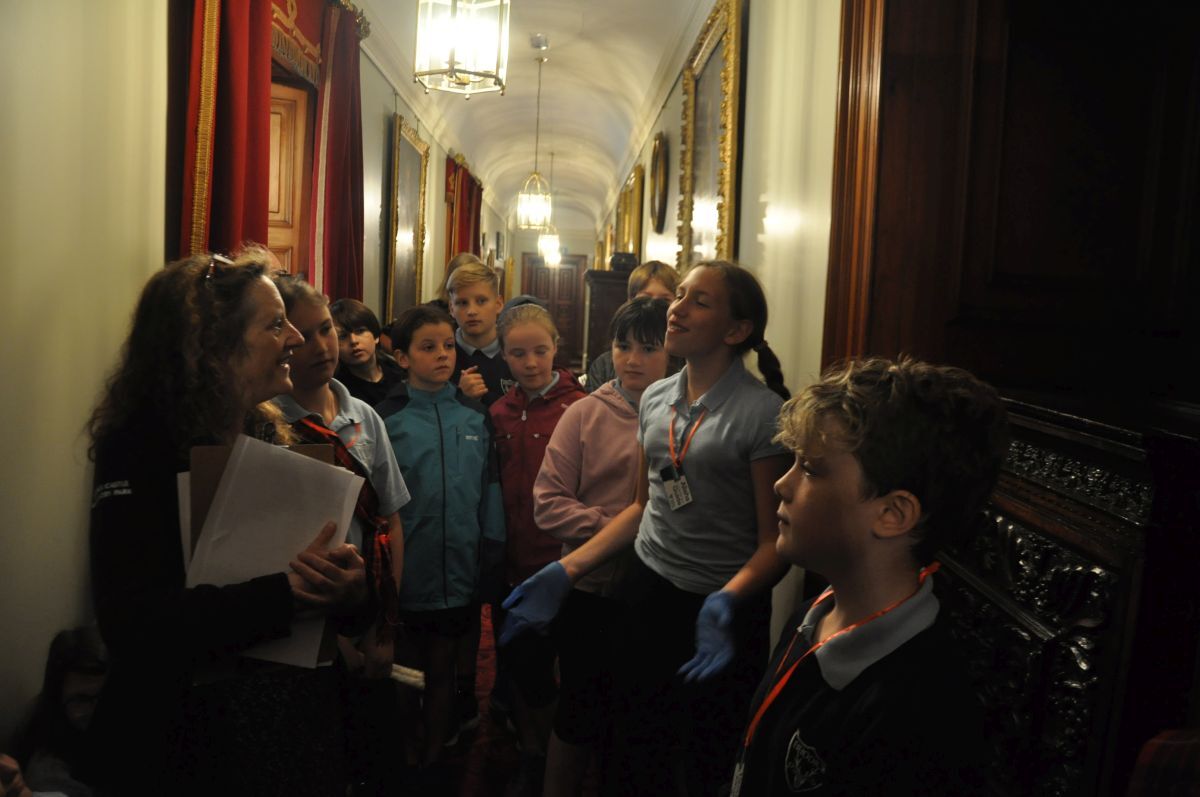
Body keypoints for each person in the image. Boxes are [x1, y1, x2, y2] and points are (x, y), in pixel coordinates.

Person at [501, 260, 792, 795]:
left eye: (698, 301)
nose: (676, 309)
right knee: (633, 749)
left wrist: (728, 600)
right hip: (647, 592)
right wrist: (567, 570)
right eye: (679, 295)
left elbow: (775, 542)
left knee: (706, 754)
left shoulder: (760, 412)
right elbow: (642, 508)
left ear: (735, 330)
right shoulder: (657, 399)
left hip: (720, 610)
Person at [86, 252, 368, 795]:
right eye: (274, 324)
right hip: (187, 745)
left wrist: (351, 590)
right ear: (212, 346)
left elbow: (334, 600)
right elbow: (134, 623)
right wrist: (287, 596)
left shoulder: (274, 434)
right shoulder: (141, 448)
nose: (294, 338)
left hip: (288, 735)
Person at [731, 357, 1008, 795]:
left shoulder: (916, 714)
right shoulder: (815, 614)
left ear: (892, 514)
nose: (780, 485)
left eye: (810, 469)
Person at [270, 275, 409, 794]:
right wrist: (334, 636)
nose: (323, 346)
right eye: (303, 336)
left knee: (378, 756)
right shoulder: (268, 424)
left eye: (326, 328)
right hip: (306, 625)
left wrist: (383, 624)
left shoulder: (364, 416)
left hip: (367, 607)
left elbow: (390, 518)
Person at [532, 297, 672, 796]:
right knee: (578, 711)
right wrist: (618, 527)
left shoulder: (682, 418)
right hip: (590, 587)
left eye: (648, 349)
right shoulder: (585, 414)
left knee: (639, 719)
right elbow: (547, 504)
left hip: (657, 592)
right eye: (622, 345)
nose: (632, 359)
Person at [375, 304, 505, 782]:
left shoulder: (474, 415)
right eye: (427, 347)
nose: (442, 355)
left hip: (462, 567)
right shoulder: (388, 419)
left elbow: (489, 489)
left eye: (448, 345)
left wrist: (492, 550)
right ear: (402, 356)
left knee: (446, 665)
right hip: (409, 571)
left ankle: (435, 754)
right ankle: (405, 753)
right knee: (407, 669)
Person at [491, 303, 588, 795]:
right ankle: (532, 751)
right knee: (522, 667)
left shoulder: (581, 408)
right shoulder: (498, 412)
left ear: (556, 348)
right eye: (518, 353)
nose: (531, 363)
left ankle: (559, 760)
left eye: (540, 351)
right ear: (503, 355)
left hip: (565, 563)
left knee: (565, 670)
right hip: (514, 561)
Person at [3, 626, 108, 797]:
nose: (97, 710)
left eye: (104, 696)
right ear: (57, 700)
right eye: (82, 699)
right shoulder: (50, 776)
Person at [585, 260, 679, 392]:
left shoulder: (686, 360)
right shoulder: (605, 365)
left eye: (664, 301)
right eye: (645, 298)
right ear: (630, 301)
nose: (653, 307)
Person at [447, 257, 514, 407]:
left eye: (481, 301)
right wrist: (459, 396)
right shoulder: (443, 355)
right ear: (451, 308)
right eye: (462, 303)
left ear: (498, 304)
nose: (471, 311)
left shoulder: (515, 351)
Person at [329, 298, 406, 406]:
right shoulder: (337, 390)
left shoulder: (401, 373)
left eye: (360, 331)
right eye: (343, 336)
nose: (353, 341)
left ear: (375, 336)